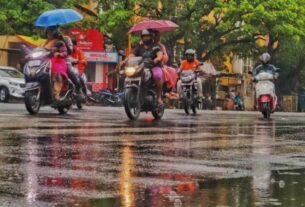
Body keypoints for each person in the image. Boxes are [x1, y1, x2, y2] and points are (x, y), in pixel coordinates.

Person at [133, 29, 164, 106]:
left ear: (151, 37)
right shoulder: (139, 46)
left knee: (157, 75)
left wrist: (157, 59)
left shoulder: (156, 46)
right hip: (141, 66)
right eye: (144, 37)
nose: (145, 38)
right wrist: (125, 60)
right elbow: (133, 55)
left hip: (153, 66)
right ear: (141, 37)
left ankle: (159, 97)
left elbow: (160, 55)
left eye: (147, 36)